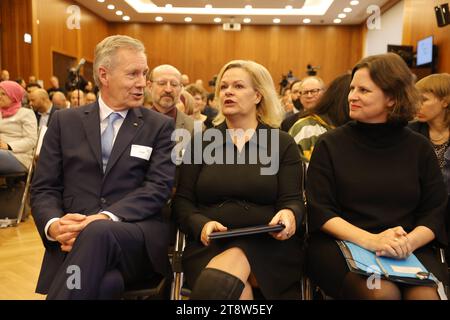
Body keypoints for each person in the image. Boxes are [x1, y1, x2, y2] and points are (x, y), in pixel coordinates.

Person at [30, 35, 176, 299]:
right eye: (133, 74)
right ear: (104, 75)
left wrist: (105, 217)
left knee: (98, 232)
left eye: (144, 73)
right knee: (106, 284)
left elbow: (158, 188)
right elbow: (44, 189)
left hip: (133, 235)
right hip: (71, 242)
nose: (143, 83)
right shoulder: (64, 122)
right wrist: (54, 226)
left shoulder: (159, 126)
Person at [306, 53, 448, 300]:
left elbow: (435, 211)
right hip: (342, 243)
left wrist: (409, 243)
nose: (352, 96)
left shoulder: (419, 147)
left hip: (407, 247)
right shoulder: (330, 144)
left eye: (364, 90)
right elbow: (321, 211)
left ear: (392, 98)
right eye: (352, 88)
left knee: (424, 296)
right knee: (381, 293)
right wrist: (372, 241)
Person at [172, 60, 305, 300]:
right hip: (211, 244)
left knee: (223, 283)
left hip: (268, 243)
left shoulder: (281, 143)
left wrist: (289, 215)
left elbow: (293, 200)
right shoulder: (202, 142)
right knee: (233, 285)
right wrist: (201, 224)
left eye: (238, 86)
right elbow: (182, 202)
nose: (228, 92)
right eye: (223, 87)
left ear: (257, 96)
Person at [409, 73, 450, 261]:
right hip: (418, 212)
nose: (417, 105)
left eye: (423, 100)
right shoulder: (409, 132)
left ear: (445, 102)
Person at [288, 74, 351, 164]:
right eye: (305, 92)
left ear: (325, 93)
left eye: (314, 91)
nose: (309, 96)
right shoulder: (306, 128)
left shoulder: (345, 126)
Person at [0, 80, 37, 174]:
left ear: (14, 96)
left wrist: (8, 146)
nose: (0, 96)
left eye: (3, 94)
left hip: (19, 156)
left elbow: (31, 140)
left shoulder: (26, 113)